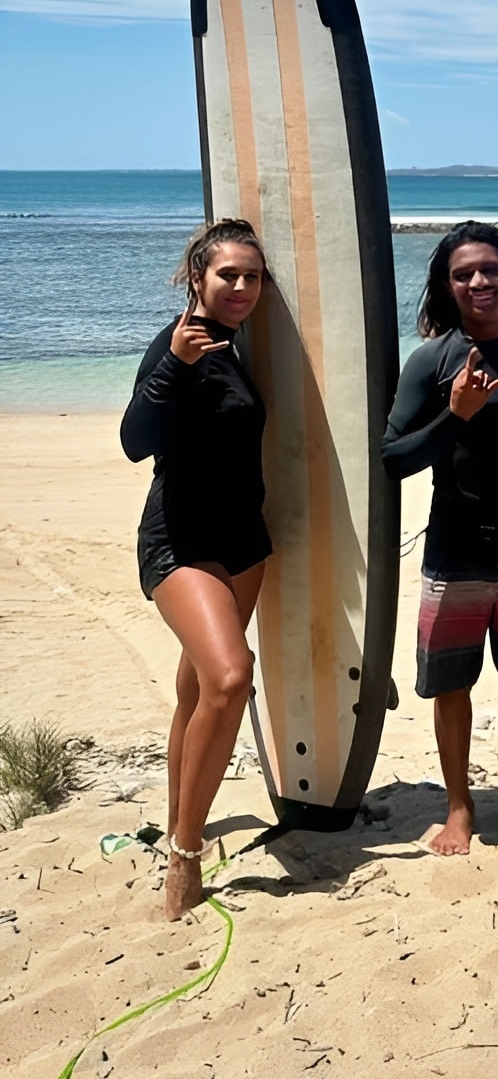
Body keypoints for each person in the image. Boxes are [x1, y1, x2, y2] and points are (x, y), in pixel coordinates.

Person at [382, 223, 498, 854]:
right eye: (463, 274)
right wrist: (453, 416)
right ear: (446, 285)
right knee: (453, 683)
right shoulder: (431, 362)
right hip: (454, 550)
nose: (479, 282)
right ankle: (459, 807)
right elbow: (391, 459)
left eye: (490, 269)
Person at [120, 220, 272, 921]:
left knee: (195, 690)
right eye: (228, 275)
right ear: (197, 280)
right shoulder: (179, 343)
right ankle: (184, 856)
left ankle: (185, 812)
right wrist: (173, 366)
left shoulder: (237, 350)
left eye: (253, 276)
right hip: (181, 542)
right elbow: (134, 441)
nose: (241, 287)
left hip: (243, 543)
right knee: (231, 677)